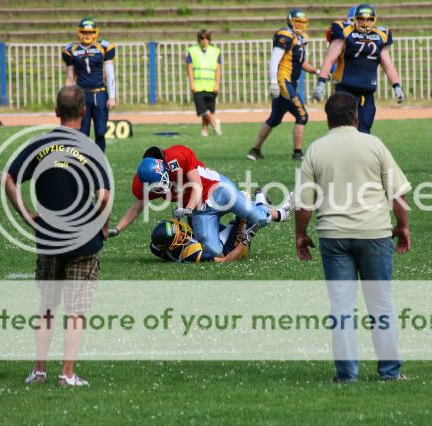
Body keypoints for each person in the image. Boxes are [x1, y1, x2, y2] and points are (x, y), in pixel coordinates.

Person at [295, 91, 411, 382]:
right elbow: (397, 194)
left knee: (341, 307)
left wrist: (300, 234)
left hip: (333, 236)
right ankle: (390, 371)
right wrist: (403, 227)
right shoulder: (374, 145)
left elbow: (304, 204)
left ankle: (346, 374)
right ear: (356, 116)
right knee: (381, 303)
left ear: (327, 118)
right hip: (374, 234)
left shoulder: (316, 150)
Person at [3, 85, 111, 387]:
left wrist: (26, 216)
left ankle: (38, 371)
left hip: (49, 238)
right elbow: (103, 196)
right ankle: (67, 373)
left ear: (56, 112)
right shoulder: (91, 149)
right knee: (76, 309)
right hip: (83, 239)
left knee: (47, 306)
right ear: (84, 111)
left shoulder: (40, 144)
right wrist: (101, 222)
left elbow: (7, 179)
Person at [110, 144, 293, 258]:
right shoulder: (145, 182)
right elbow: (135, 209)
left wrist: (187, 209)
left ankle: (272, 208)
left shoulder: (177, 157)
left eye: (160, 184)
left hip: (217, 190)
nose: (159, 190)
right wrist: (117, 230)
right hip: (200, 209)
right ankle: (238, 223)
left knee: (259, 219)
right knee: (213, 251)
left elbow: (196, 185)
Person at [313, 4, 404, 134]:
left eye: (369, 19)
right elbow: (329, 59)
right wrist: (321, 82)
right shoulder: (345, 31)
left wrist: (397, 86)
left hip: (367, 93)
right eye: (361, 18)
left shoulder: (381, 35)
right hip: (345, 90)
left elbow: (388, 65)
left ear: (374, 20)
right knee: (342, 129)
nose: (365, 23)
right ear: (355, 18)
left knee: (364, 129)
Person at [247, 9, 320, 162]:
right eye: (298, 22)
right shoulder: (285, 35)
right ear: (290, 21)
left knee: (275, 118)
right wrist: (274, 82)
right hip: (283, 81)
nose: (301, 25)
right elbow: (274, 60)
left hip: (290, 82)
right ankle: (298, 153)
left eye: (303, 22)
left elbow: (301, 62)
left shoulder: (301, 38)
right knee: (302, 115)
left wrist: (316, 71)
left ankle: (254, 150)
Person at [63, 17, 116, 152]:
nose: (87, 35)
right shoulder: (71, 49)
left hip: (100, 94)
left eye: (90, 32)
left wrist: (112, 97)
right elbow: (70, 78)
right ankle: (83, 162)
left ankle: (99, 162)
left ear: (95, 33)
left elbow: (110, 74)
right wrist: (66, 98)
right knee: (82, 133)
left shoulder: (104, 47)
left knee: (100, 131)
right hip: (81, 95)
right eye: (84, 32)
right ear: (79, 32)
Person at [149, 216, 250, 263]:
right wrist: (244, 241)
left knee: (193, 216)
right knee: (244, 217)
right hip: (231, 249)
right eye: (178, 237)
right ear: (171, 247)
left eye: (179, 230)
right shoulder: (193, 254)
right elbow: (226, 259)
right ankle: (262, 206)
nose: (183, 233)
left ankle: (232, 226)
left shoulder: (155, 247)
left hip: (210, 238)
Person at [186, 29, 222, 137]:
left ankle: (204, 131)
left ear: (210, 39)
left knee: (208, 111)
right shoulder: (192, 51)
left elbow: (218, 70)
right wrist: (191, 83)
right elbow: (189, 69)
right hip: (198, 86)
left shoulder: (215, 51)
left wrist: (217, 84)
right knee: (203, 110)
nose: (204, 40)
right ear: (199, 39)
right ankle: (215, 124)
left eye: (206, 38)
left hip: (211, 86)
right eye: (202, 38)